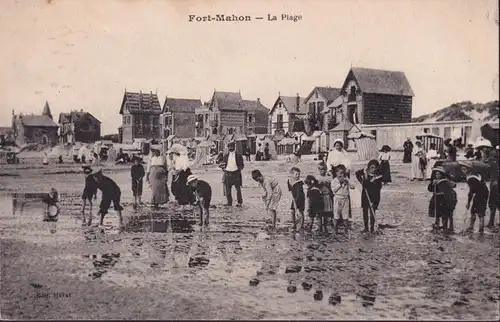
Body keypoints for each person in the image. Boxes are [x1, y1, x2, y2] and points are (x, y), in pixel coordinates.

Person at [427, 167, 457, 235]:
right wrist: (432, 184)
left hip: (443, 200)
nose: (437, 176)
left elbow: (451, 189)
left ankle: (446, 228)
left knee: (445, 215)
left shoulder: (445, 182)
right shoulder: (435, 182)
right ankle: (437, 225)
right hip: (436, 200)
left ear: (442, 175)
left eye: (438, 174)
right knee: (437, 214)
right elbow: (430, 189)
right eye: (436, 174)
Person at [355, 160, 383, 233]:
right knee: (365, 211)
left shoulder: (378, 176)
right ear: (369, 167)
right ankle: (366, 227)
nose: (373, 169)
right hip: (365, 195)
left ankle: (372, 228)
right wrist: (361, 181)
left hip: (374, 196)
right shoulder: (365, 172)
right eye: (372, 168)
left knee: (372, 211)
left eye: (375, 168)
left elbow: (379, 187)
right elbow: (357, 174)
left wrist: (372, 182)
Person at [331, 165, 355, 234]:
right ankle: (335, 229)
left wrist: (348, 182)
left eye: (343, 173)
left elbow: (353, 187)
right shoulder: (334, 181)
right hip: (337, 198)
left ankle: (346, 229)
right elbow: (333, 190)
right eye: (340, 173)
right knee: (336, 214)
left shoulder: (346, 179)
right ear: (336, 173)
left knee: (345, 214)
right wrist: (340, 184)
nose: (341, 174)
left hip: (345, 198)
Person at [221, 141, 244, 207]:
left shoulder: (238, 155)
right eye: (229, 147)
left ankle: (239, 202)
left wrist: (238, 170)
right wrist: (223, 169)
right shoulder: (226, 156)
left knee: (238, 189)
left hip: (236, 174)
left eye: (231, 147)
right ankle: (229, 202)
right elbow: (223, 163)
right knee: (228, 190)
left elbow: (242, 165)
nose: (230, 148)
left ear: (234, 147)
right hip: (228, 173)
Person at [317, 162, 334, 232]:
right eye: (320, 169)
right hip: (320, 197)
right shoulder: (317, 177)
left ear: (326, 170)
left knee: (326, 213)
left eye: (323, 169)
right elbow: (315, 187)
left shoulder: (329, 178)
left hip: (327, 196)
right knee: (320, 213)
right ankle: (320, 226)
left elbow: (332, 187)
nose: (322, 171)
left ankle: (325, 227)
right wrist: (319, 185)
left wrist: (327, 184)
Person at [287, 167, 306, 231]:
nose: (298, 176)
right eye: (296, 174)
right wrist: (293, 199)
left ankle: (302, 225)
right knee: (292, 211)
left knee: (300, 211)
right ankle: (294, 224)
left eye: (299, 174)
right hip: (294, 197)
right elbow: (290, 190)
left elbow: (299, 194)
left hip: (300, 198)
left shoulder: (300, 183)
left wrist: (296, 203)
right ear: (291, 174)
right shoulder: (289, 181)